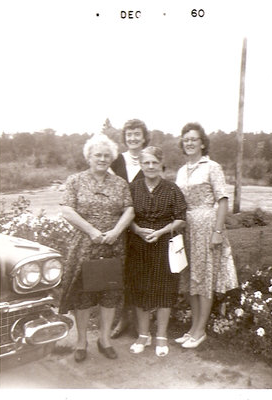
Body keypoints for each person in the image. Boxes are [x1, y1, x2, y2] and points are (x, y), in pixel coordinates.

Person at [59, 134, 135, 362]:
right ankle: (81, 342)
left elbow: (129, 210)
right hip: (84, 246)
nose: (102, 159)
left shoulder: (120, 183)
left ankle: (104, 340)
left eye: (106, 156)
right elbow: (66, 210)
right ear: (89, 157)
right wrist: (92, 230)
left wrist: (116, 232)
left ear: (111, 158)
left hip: (112, 246)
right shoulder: (75, 181)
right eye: (97, 155)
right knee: (83, 295)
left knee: (109, 295)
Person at [175, 122, 238, 348]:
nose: (189, 143)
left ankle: (201, 330)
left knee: (204, 279)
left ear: (202, 143)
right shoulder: (182, 170)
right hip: (187, 228)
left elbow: (222, 201)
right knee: (190, 279)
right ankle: (193, 327)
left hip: (207, 227)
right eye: (186, 139)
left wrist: (218, 232)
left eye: (194, 139)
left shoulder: (212, 167)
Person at [125, 146, 187, 357]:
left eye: (154, 163)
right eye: (146, 163)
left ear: (161, 164)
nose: (150, 167)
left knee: (164, 289)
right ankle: (143, 335)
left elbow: (181, 219)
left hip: (164, 245)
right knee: (140, 288)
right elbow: (126, 216)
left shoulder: (172, 189)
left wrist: (161, 232)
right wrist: (137, 230)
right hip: (138, 244)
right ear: (141, 165)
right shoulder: (133, 188)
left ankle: (161, 335)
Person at [109, 119, 150, 338]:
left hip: (144, 224)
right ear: (125, 138)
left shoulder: (150, 159)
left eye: (137, 134)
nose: (133, 138)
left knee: (140, 272)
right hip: (119, 224)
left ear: (144, 137)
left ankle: (140, 322)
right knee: (121, 273)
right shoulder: (116, 160)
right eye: (129, 134)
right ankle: (123, 319)